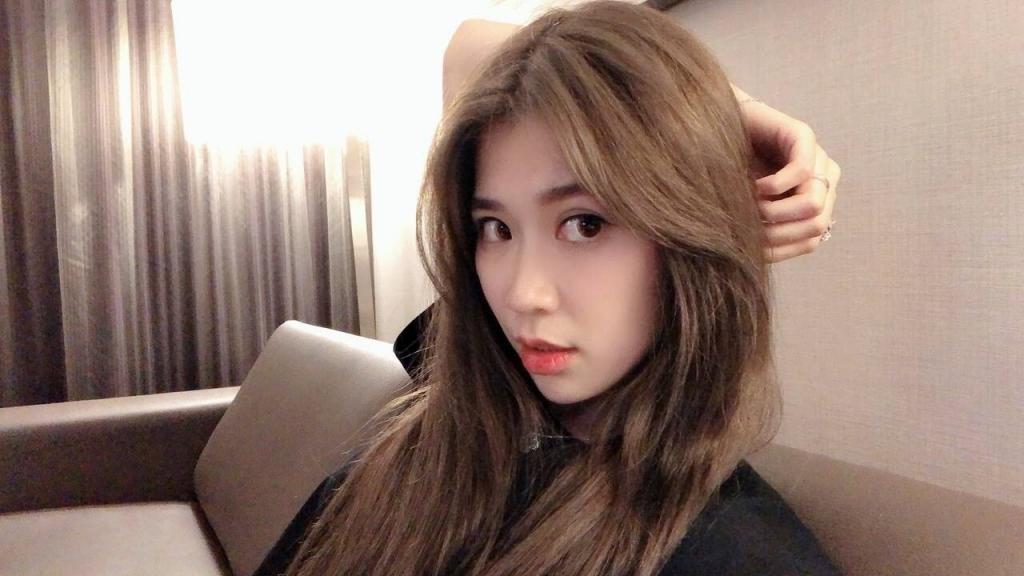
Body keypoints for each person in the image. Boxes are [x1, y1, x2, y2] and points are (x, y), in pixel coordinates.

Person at [257, 3, 842, 575]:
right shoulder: (458, 417)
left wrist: (699, 119)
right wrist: (734, 109)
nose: (522, 294)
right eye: (497, 228)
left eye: (584, 224)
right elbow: (468, 43)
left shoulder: (731, 552)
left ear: (687, 232)